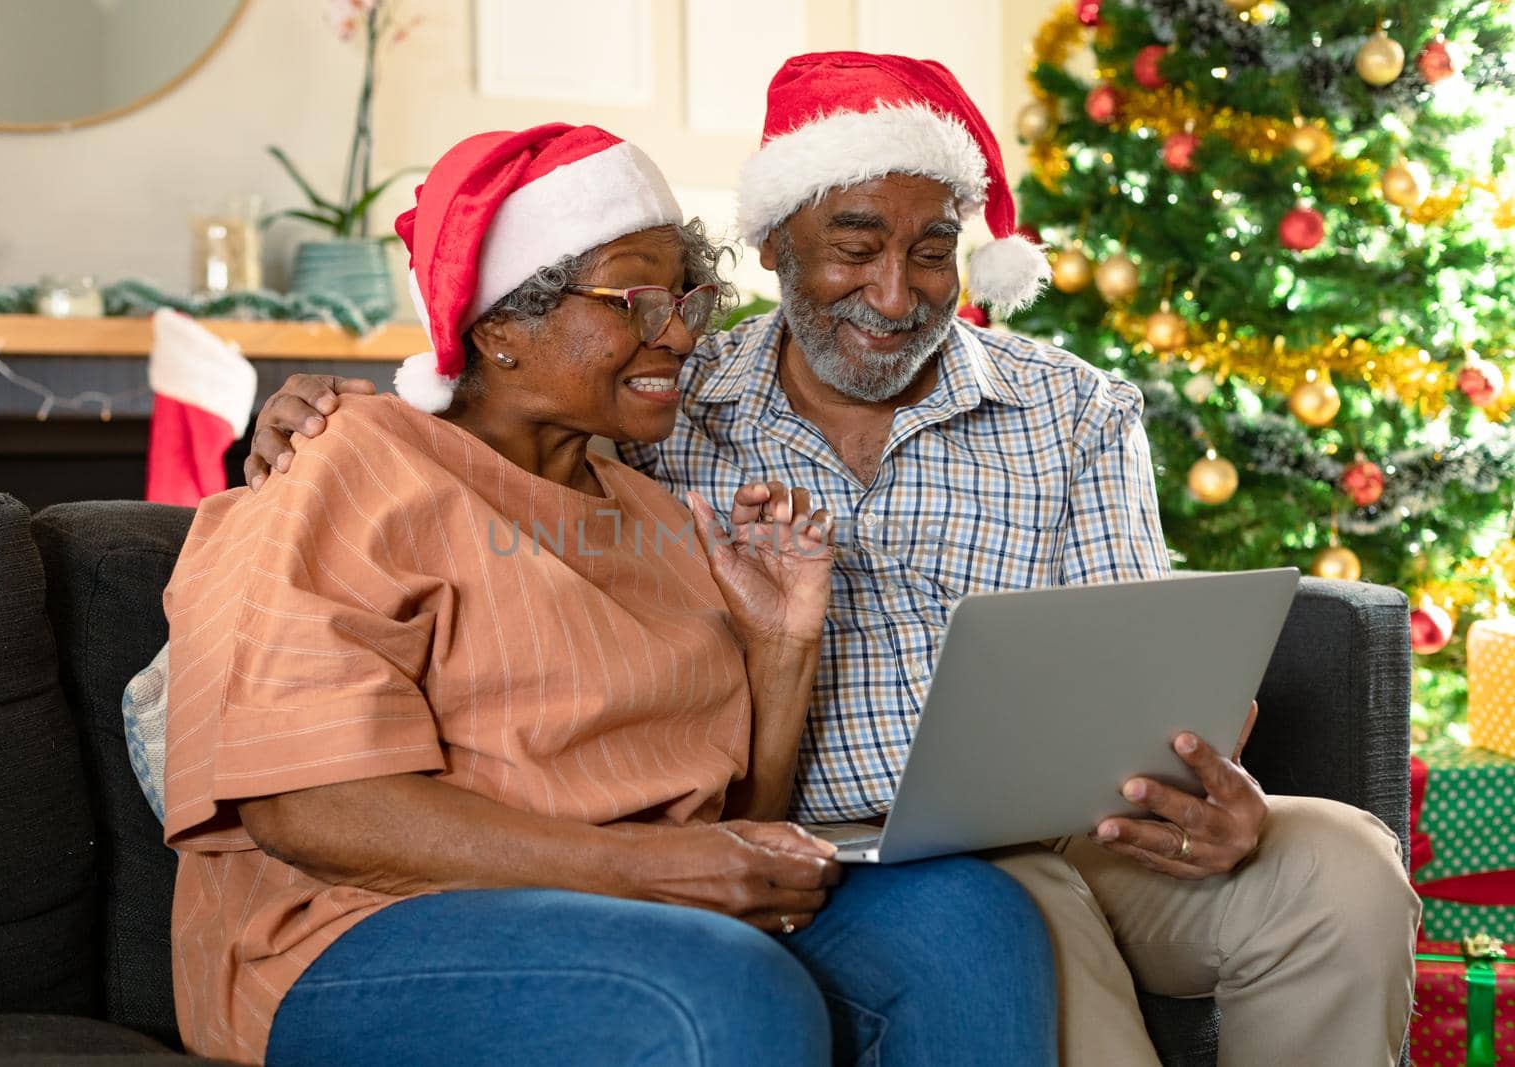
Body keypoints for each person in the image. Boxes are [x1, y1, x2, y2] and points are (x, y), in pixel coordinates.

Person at [244, 55, 1422, 1065]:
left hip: (1074, 823)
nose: (895, 295)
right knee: (1004, 909)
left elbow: (1146, 670)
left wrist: (1208, 786)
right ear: (769, 248)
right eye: (851, 248)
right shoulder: (661, 396)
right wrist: (316, 411)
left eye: (931, 252)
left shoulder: (1072, 408)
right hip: (836, 844)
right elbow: (498, 388)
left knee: (1339, 860)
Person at [160, 122, 1056, 1067]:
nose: (678, 333)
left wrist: (783, 648)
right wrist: (645, 871)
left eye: (685, 296)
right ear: (499, 325)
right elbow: (309, 811)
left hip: (645, 909)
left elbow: (729, 830)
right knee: (716, 988)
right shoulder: (347, 465)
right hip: (364, 927)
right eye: (634, 299)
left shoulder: (657, 512)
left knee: (971, 919)